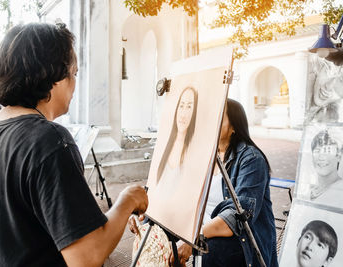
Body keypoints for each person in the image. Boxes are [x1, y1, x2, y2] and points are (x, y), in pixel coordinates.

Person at [0, 22, 148, 267]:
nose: (74, 84)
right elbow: (87, 256)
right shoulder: (49, 140)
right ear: (54, 76)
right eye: (73, 73)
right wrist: (128, 199)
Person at [130, 99, 278, 266]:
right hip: (200, 230)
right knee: (151, 232)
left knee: (211, 251)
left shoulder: (251, 159)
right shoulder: (203, 155)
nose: (210, 122)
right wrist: (145, 213)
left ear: (234, 127)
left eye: (218, 117)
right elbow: (175, 192)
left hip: (239, 239)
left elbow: (236, 218)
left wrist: (193, 239)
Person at [154, 86, 198, 197]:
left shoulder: (194, 150)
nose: (183, 114)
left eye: (189, 107)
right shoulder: (164, 144)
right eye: (181, 105)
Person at [309, 130, 343, 202]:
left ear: (339, 156)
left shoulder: (340, 190)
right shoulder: (309, 190)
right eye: (317, 151)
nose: (321, 157)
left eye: (328, 151)